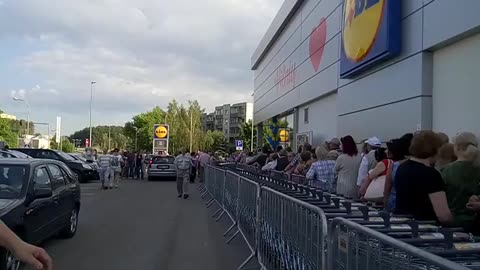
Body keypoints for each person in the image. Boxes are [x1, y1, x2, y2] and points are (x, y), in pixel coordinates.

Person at [395, 131, 453, 224]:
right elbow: (443, 216)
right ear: (435, 150)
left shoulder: (402, 168)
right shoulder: (430, 174)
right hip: (425, 228)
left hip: (402, 225)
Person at [442, 132, 480, 234]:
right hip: (475, 222)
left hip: (453, 221)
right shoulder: (477, 168)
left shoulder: (446, 170)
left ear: (457, 147)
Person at [383, 134, 412, 211]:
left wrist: (385, 205)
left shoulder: (394, 165)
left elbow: (387, 188)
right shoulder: (420, 164)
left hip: (394, 203)